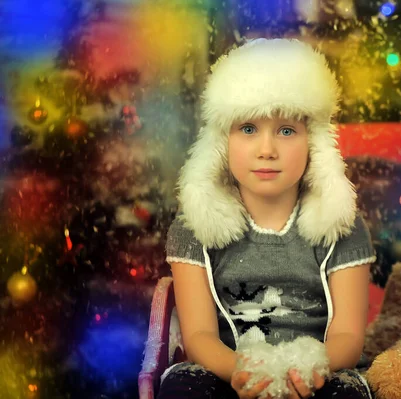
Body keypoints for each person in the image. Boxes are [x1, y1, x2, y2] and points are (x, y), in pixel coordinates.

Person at [158, 38, 376, 399]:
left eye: (287, 131)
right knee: (184, 385)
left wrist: (308, 371)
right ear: (221, 142)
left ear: (315, 143)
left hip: (318, 373)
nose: (266, 150)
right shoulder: (194, 227)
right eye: (247, 129)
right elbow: (199, 337)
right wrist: (243, 373)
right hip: (228, 372)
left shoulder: (342, 226)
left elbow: (348, 337)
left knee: (348, 392)